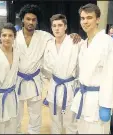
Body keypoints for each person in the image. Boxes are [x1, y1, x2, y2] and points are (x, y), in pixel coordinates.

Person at [15, 4, 81, 134]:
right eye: (28, 19)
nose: (30, 22)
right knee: (16, 115)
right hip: (18, 81)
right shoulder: (14, 36)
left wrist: (73, 35)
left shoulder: (44, 36)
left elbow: (61, 39)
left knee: (36, 116)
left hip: (35, 81)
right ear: (22, 19)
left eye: (34, 20)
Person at [71, 3, 113, 134]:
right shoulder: (84, 44)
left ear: (97, 19)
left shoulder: (107, 43)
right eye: (82, 18)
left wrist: (106, 105)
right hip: (83, 99)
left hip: (98, 102)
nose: (85, 21)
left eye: (89, 17)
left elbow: (112, 76)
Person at [43, 14, 82, 134]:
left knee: (71, 122)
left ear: (65, 27)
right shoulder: (48, 44)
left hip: (70, 88)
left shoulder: (76, 42)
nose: (57, 28)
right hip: (54, 86)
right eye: (54, 26)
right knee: (55, 121)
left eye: (60, 25)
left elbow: (82, 64)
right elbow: (45, 67)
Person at [0, 23, 19, 134]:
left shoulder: (17, 52)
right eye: (4, 35)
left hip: (11, 95)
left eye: (10, 35)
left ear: (14, 37)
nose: (7, 38)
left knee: (12, 127)